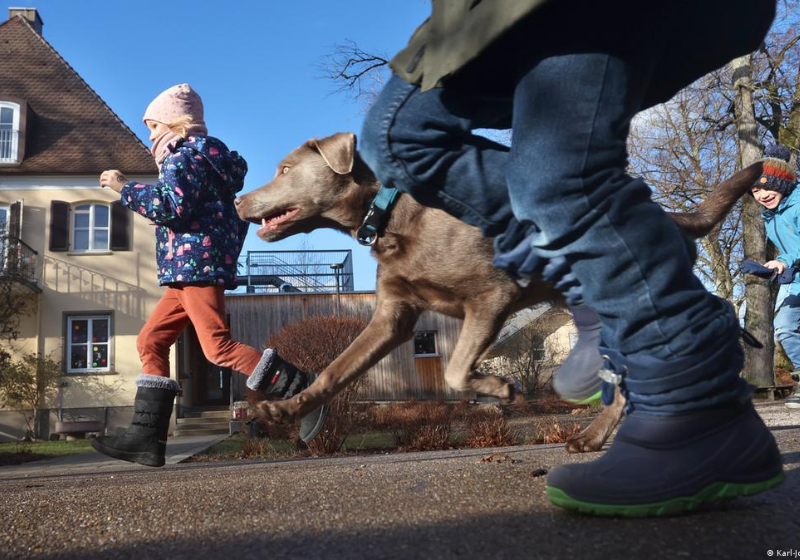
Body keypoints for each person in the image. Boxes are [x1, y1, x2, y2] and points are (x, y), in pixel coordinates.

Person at [359, 0, 783, 516]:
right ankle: (593, 301)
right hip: (477, 14)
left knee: (559, 177)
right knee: (398, 138)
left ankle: (695, 409)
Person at [94, 84, 327, 467]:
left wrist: (123, 187)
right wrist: (221, 260)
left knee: (217, 347)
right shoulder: (210, 165)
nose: (150, 135)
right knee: (150, 341)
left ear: (175, 122)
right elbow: (233, 222)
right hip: (192, 269)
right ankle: (146, 438)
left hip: (194, 268)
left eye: (153, 126)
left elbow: (170, 207)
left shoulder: (183, 158)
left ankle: (308, 392)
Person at [750, 145, 800, 410]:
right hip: (796, 278)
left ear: (781, 181)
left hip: (794, 268)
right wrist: (772, 269)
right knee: (783, 327)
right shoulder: (770, 217)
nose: (762, 195)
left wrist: (784, 260)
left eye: (766, 186)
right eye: (755, 190)